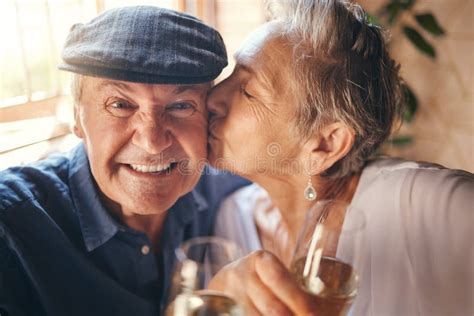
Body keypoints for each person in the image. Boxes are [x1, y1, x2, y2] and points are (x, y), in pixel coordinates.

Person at [206, 0, 474, 315]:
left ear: (325, 144)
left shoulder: (432, 207)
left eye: (248, 91)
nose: (213, 98)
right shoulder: (233, 219)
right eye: (232, 73)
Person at [0, 6, 247, 316]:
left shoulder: (221, 187)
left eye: (181, 105)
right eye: (120, 104)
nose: (152, 140)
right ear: (77, 116)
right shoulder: (10, 228)